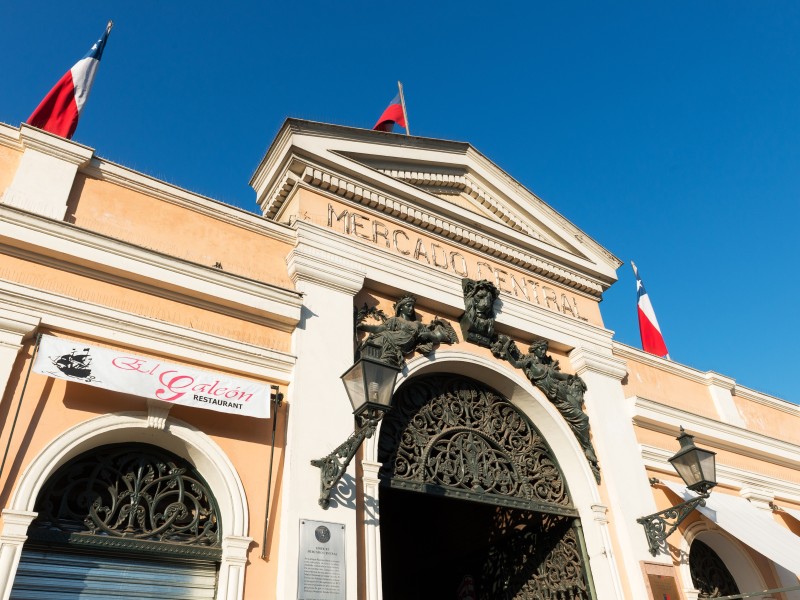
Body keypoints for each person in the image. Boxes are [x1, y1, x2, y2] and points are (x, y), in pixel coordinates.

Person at [358, 295, 439, 367]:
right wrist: (364, 327)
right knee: (375, 341)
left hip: (404, 343)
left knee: (380, 340)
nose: (411, 308)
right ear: (401, 307)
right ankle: (369, 363)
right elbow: (380, 329)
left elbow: (435, 338)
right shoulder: (395, 320)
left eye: (412, 306)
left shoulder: (417, 324)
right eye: (408, 306)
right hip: (390, 338)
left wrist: (428, 335)